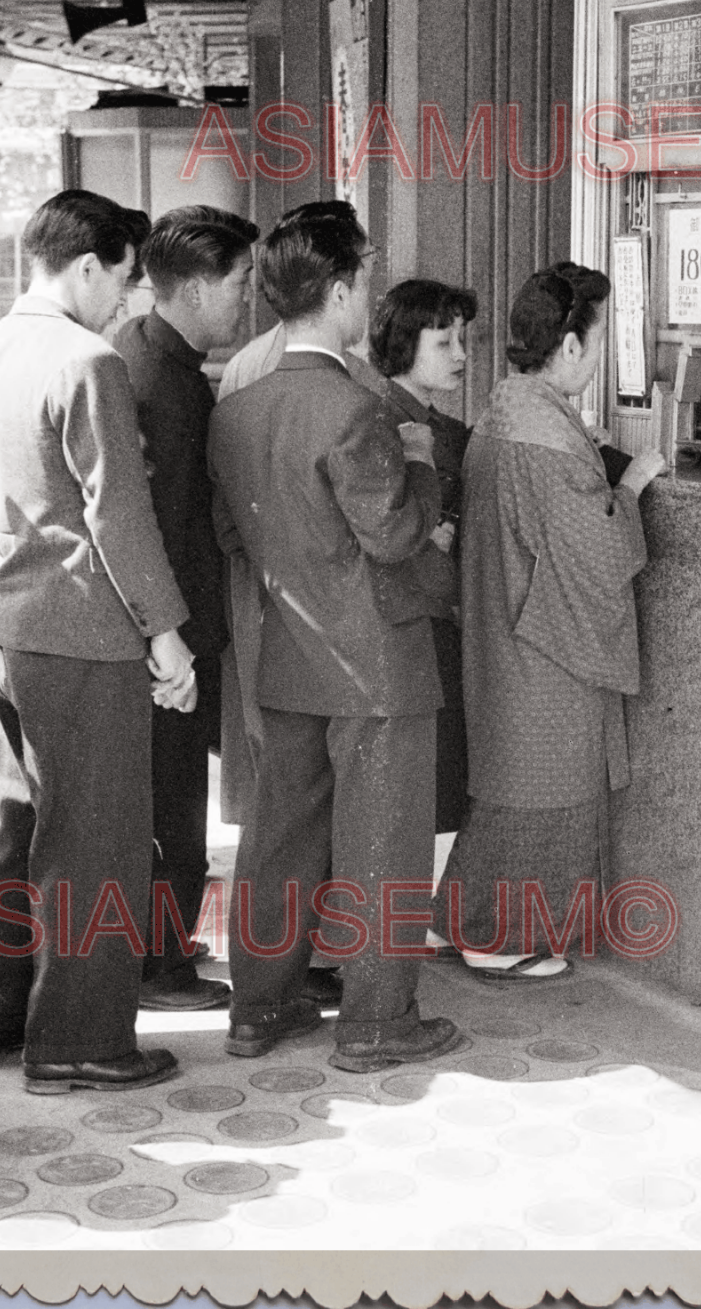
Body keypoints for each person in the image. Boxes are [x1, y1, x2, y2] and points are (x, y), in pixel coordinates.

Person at [0, 189, 196, 1093]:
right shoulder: (86, 362)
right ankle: (78, 1042)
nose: (128, 301)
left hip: (8, 636)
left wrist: (9, 580)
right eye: (126, 281)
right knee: (97, 843)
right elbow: (119, 519)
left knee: (16, 824)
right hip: (88, 643)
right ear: (88, 266)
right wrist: (165, 635)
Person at [209, 200, 462, 1072]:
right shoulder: (357, 411)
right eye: (364, 283)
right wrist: (424, 466)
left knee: (279, 837)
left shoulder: (238, 407)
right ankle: (378, 1021)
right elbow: (393, 535)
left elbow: (233, 536)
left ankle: (258, 1008)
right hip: (378, 662)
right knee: (383, 842)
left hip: (284, 652)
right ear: (344, 290)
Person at [436, 263, 665, 980]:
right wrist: (627, 488)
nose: (599, 358)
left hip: (504, 626)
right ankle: (505, 939)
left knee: (507, 789)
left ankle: (463, 922)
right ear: (570, 347)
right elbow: (597, 554)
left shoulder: (510, 409)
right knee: (549, 788)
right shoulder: (547, 435)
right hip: (544, 643)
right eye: (599, 341)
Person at [112, 206, 258, 1011]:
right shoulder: (156, 381)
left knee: (173, 795)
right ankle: (160, 964)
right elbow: (148, 529)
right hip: (166, 636)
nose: (247, 298)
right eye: (239, 282)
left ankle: (164, 945)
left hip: (174, 627)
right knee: (172, 801)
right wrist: (168, 643)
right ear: (199, 288)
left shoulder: (151, 354)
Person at [368, 279, 478, 833]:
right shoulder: (378, 421)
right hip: (408, 630)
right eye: (444, 343)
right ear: (403, 343)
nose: (461, 355)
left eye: (464, 341)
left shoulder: (449, 430)